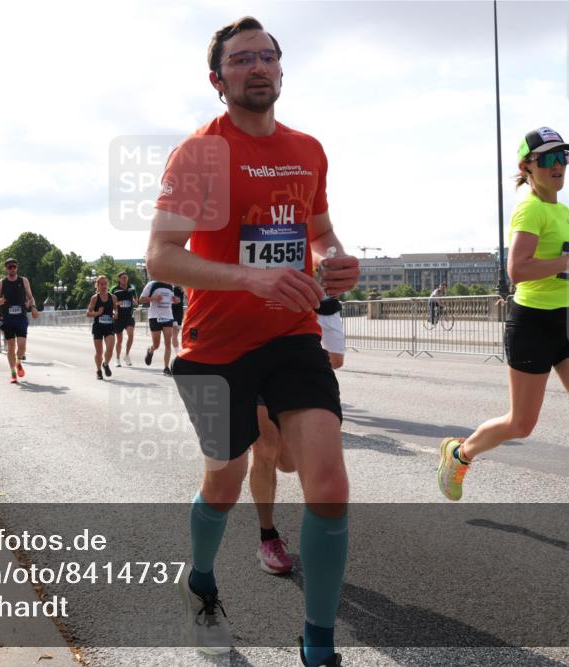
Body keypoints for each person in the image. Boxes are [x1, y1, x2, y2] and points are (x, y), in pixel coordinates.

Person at [146, 17, 359, 665]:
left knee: (328, 482)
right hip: (214, 345)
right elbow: (160, 256)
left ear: (281, 70)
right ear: (219, 80)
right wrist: (248, 277)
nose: (258, 66)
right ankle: (202, 577)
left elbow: (321, 232)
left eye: (268, 56)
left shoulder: (308, 150)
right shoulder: (200, 154)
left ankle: (318, 642)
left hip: (294, 335)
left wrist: (338, 259)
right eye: (242, 60)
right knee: (226, 480)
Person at [437, 127, 569, 558]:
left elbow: (561, 266)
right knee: (521, 423)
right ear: (527, 168)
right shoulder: (529, 211)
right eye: (548, 159)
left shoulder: (561, 212)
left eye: (564, 157)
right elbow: (518, 270)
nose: (558, 166)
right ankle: (460, 453)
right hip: (534, 323)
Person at [249, 309, 347, 576]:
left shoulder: (321, 296)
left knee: (288, 462)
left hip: (298, 365)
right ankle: (267, 536)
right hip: (254, 357)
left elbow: (336, 359)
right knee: (265, 448)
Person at [0, 258, 40, 383]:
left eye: (14, 266)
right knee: (11, 346)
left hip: (21, 318)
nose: (12, 269)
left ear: (17, 267)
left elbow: (30, 296)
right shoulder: (1, 283)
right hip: (7, 318)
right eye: (9, 267)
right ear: (6, 269)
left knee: (22, 346)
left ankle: (18, 360)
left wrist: (34, 307)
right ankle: (13, 373)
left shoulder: (24, 281)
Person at [139, 278, 178, 375]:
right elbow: (140, 300)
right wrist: (153, 299)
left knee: (168, 343)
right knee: (156, 345)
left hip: (168, 316)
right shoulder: (152, 284)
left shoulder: (170, 286)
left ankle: (166, 367)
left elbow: (172, 300)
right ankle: (150, 350)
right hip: (155, 317)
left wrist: (175, 300)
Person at [87, 275, 118, 380]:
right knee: (99, 352)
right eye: (101, 284)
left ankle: (105, 364)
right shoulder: (95, 298)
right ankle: (99, 370)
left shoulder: (113, 297)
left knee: (110, 348)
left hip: (109, 326)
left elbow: (115, 308)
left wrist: (115, 313)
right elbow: (88, 313)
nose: (104, 286)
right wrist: (98, 313)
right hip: (98, 327)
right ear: (98, 286)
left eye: (105, 284)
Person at [112, 271, 138, 367]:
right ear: (119, 279)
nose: (125, 279)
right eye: (123, 278)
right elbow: (110, 302)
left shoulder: (132, 289)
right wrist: (117, 304)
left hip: (129, 316)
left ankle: (126, 355)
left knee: (131, 334)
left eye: (126, 277)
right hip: (118, 317)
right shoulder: (114, 289)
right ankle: (117, 358)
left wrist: (135, 301)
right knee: (119, 340)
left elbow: (136, 302)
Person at [171, 284, 186, 349]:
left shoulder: (181, 288)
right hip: (172, 313)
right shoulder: (170, 288)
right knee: (174, 335)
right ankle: (178, 353)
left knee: (176, 335)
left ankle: (177, 349)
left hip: (180, 313)